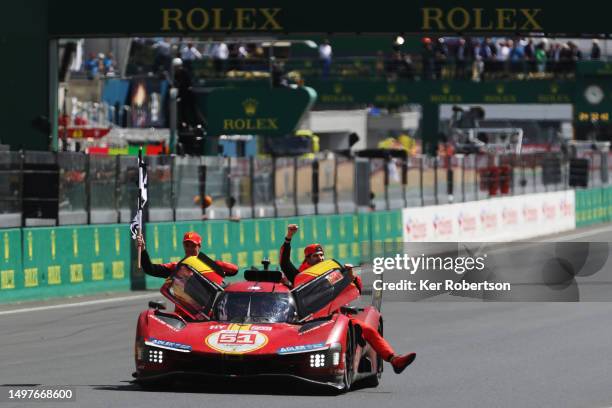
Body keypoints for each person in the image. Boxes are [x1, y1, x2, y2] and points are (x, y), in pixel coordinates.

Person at [279, 224, 417, 374]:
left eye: (321, 255)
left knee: (367, 329)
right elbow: (284, 263)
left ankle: (394, 360)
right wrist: (289, 237)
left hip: (335, 318)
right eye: (315, 256)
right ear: (307, 259)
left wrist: (350, 275)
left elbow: (356, 288)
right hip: (305, 322)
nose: (319, 258)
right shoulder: (300, 276)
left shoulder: (332, 273)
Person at [135, 231, 237, 285]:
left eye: (193, 246)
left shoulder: (207, 265)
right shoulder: (177, 267)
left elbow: (234, 270)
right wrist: (143, 249)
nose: (189, 249)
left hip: (204, 313)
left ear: (199, 247)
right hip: (183, 311)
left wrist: (214, 265)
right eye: (187, 245)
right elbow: (150, 269)